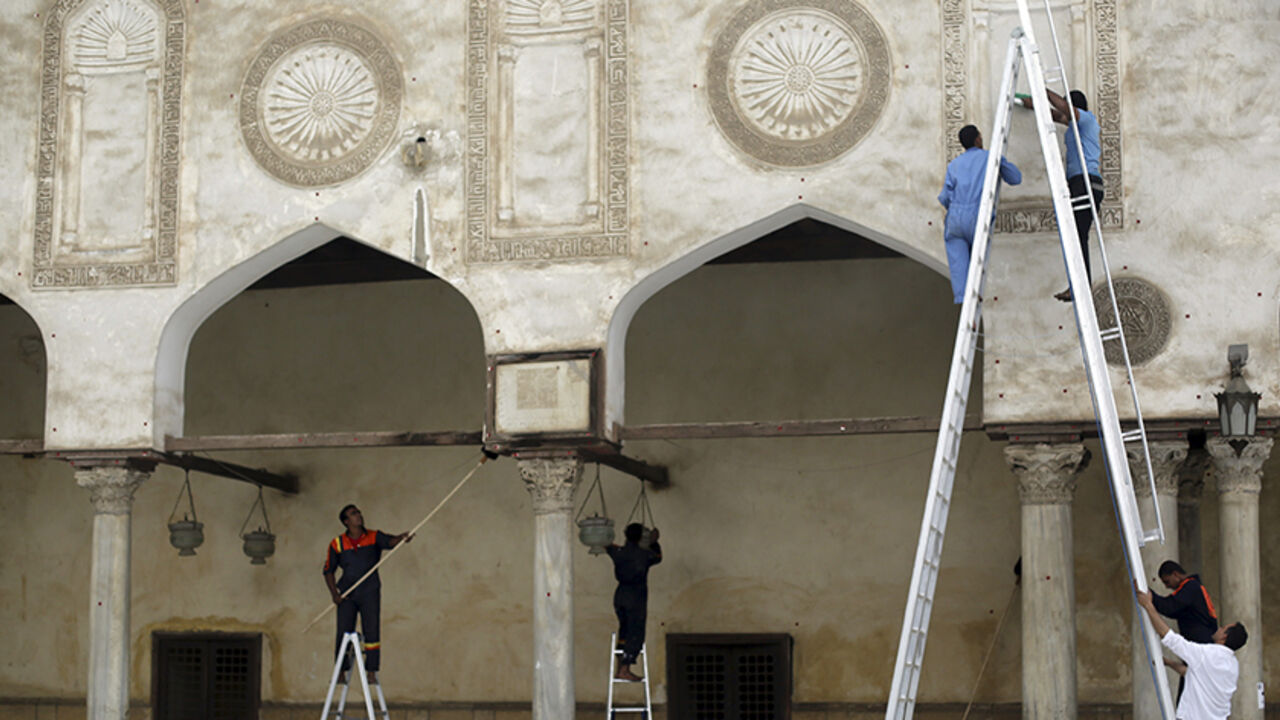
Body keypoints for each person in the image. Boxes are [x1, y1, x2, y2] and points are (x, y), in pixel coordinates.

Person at [1019, 89, 1102, 302]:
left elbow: (1064, 110)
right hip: (1078, 184)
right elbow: (1055, 114)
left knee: (1077, 235)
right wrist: (1029, 103)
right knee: (1076, 235)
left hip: (1086, 183)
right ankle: (1079, 286)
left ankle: (1079, 287)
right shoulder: (1074, 126)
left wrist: (1043, 90)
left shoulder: (1087, 120)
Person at [322, 504, 413, 685]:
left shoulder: (373, 536)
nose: (359, 515)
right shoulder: (337, 543)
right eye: (353, 514)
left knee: (371, 630)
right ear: (346, 522)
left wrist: (402, 538)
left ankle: (371, 670)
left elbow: (390, 541)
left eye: (359, 512)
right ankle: (341, 670)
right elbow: (328, 571)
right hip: (347, 593)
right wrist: (334, 594)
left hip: (369, 591)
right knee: (344, 632)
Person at [1134, 581, 1247, 720]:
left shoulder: (1207, 654)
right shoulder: (1233, 665)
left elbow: (1171, 639)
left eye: (1223, 628)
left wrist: (1148, 606)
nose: (1220, 628)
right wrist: (1169, 663)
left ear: (1224, 636)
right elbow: (1193, 674)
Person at [938, 124, 1022, 304]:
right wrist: (1002, 163)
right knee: (978, 261)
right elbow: (1016, 178)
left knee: (959, 264)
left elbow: (944, 197)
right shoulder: (990, 158)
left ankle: (964, 300)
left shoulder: (954, 165)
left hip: (955, 216)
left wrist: (954, 210)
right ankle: (976, 294)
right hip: (979, 214)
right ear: (977, 139)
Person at [605, 523, 662, 681]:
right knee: (635, 632)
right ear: (640, 537)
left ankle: (620, 668)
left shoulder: (619, 552)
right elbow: (658, 557)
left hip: (620, 595)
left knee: (624, 629)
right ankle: (624, 669)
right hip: (636, 596)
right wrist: (654, 541)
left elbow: (607, 547)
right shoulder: (644, 554)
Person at [1152, 561, 1219, 644]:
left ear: (1175, 574)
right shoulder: (1193, 586)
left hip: (1202, 644)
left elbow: (1169, 607)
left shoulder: (1190, 587)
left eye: (1167, 582)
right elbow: (1174, 611)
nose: (1167, 586)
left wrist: (1149, 595)